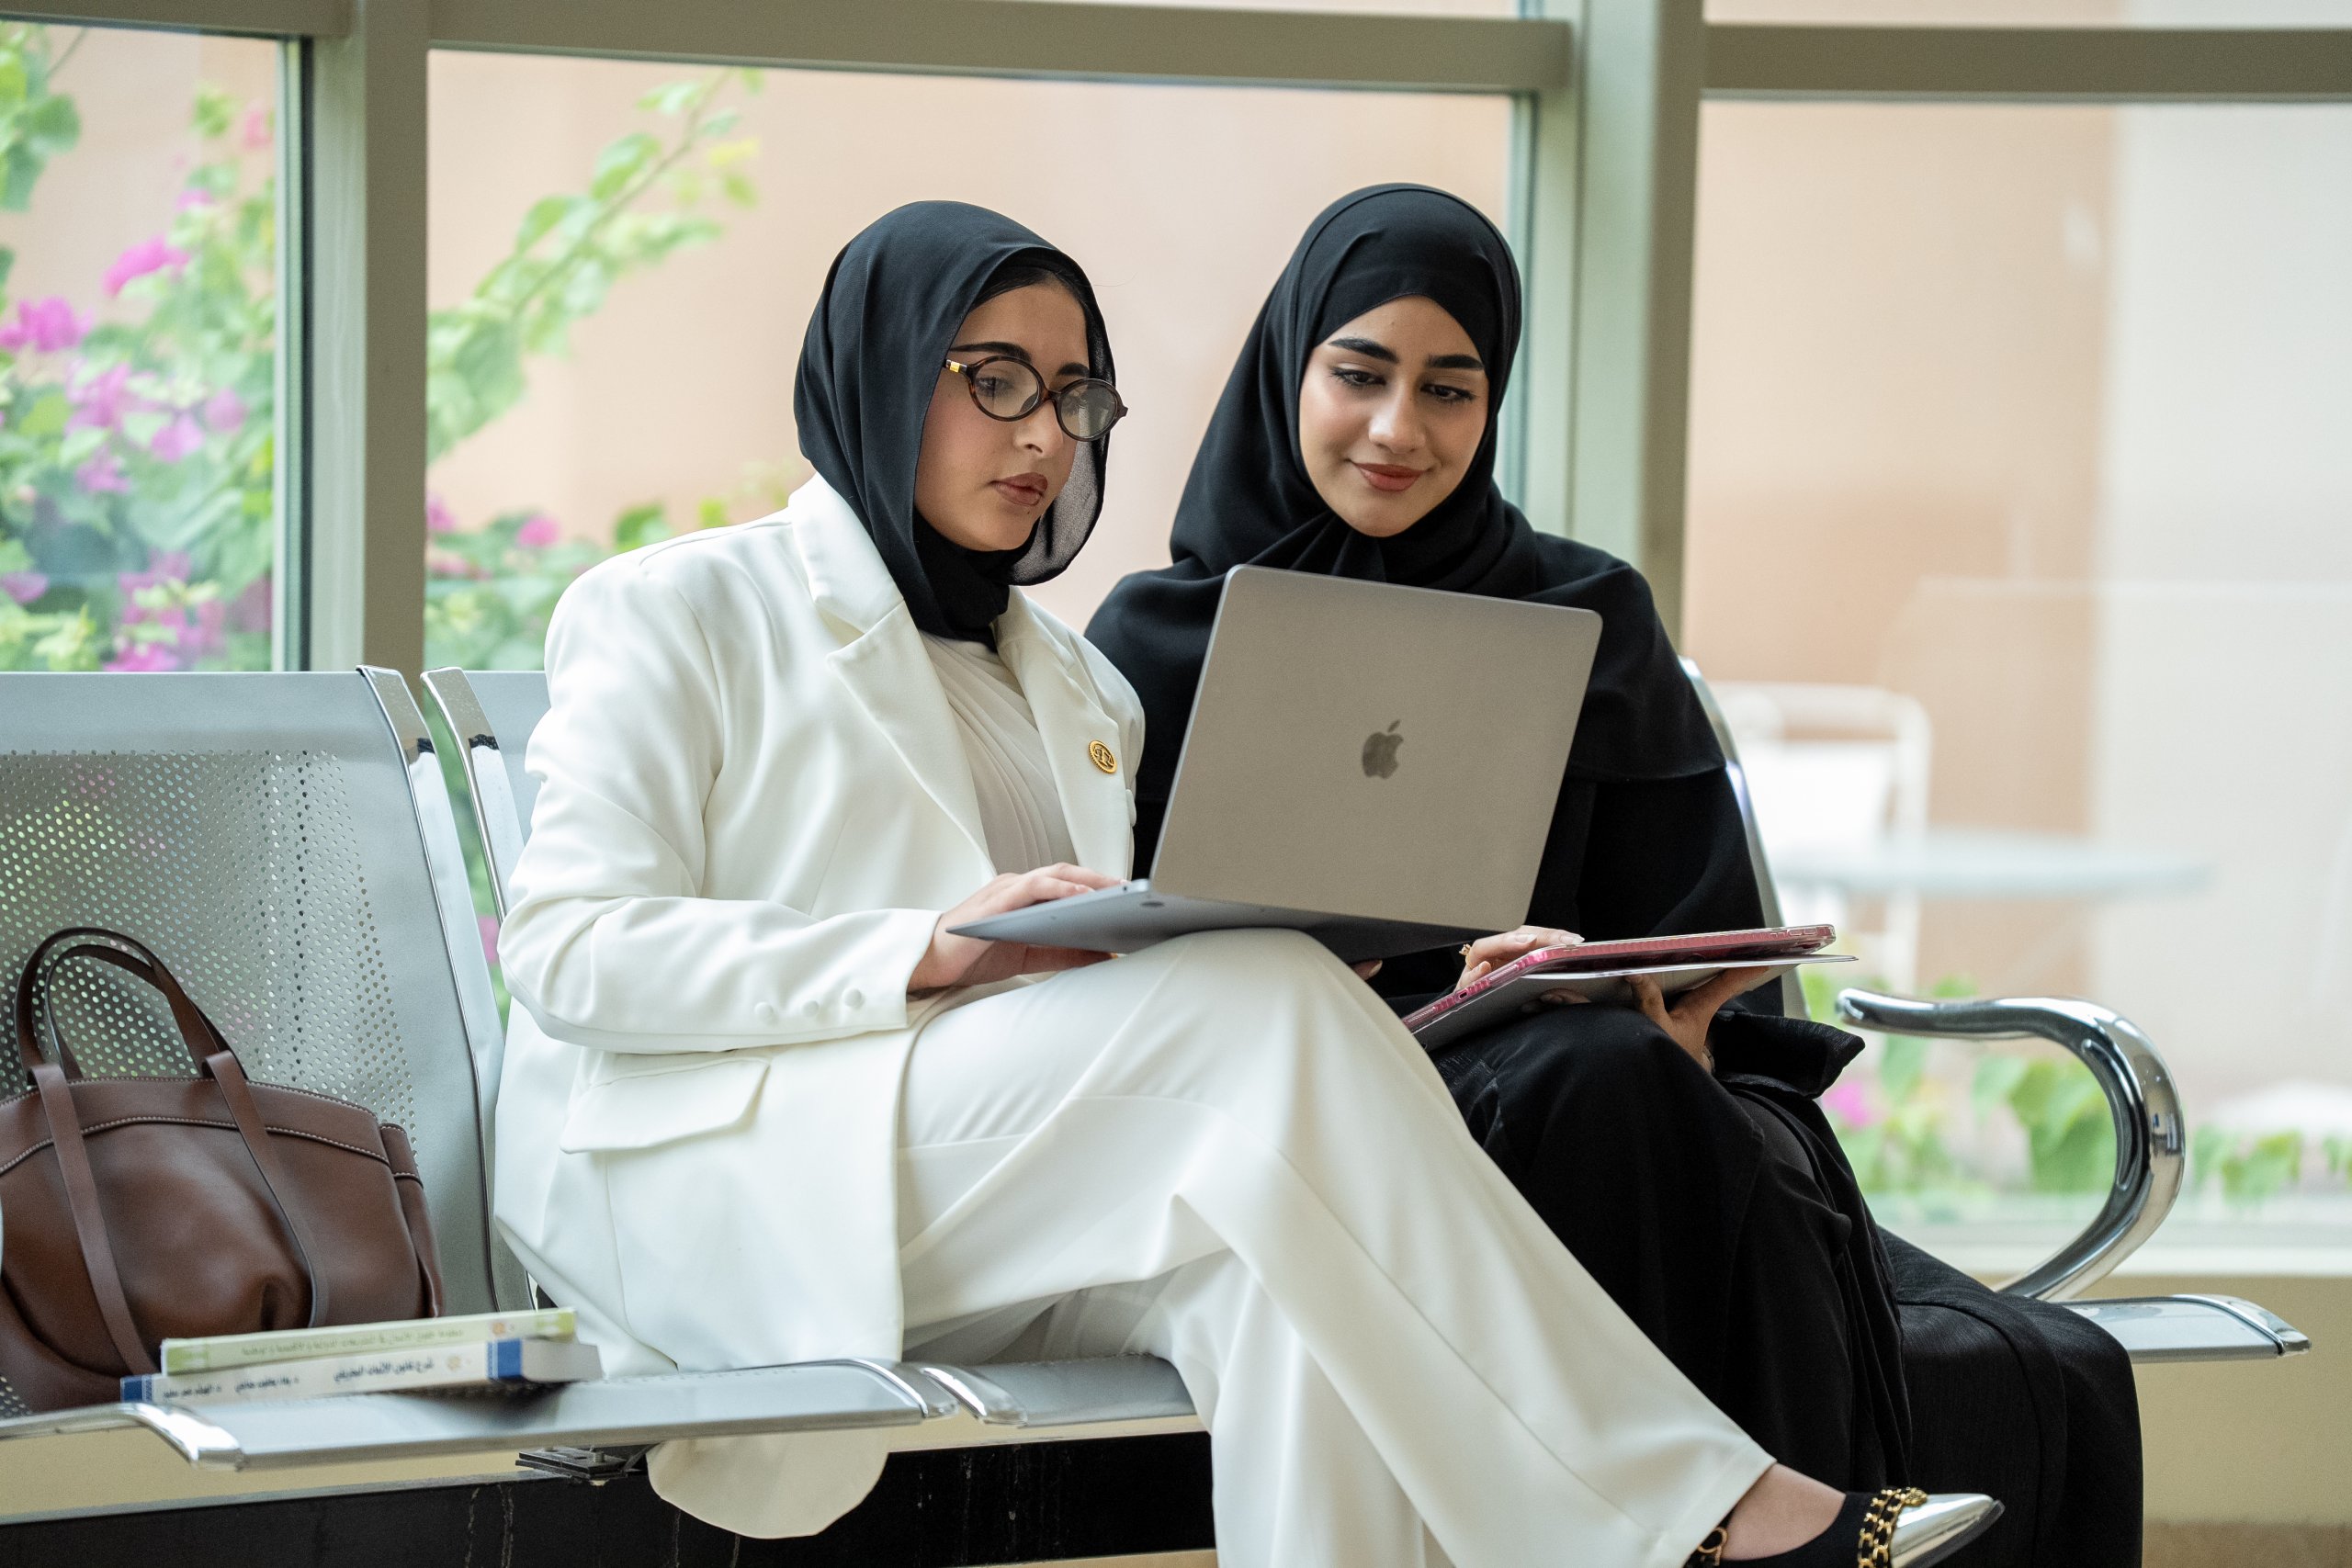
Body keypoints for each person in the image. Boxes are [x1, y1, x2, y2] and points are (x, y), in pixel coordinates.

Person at [492, 198, 1994, 1568]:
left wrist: (1432, 1008)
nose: (1044, 437)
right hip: (728, 1169)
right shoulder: (679, 606)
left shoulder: (1076, 685)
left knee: (1288, 1280)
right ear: (883, 371)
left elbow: (1132, 1022)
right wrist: (924, 950)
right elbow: (564, 952)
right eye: (993, 381)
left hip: (984, 1178)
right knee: (1260, 1013)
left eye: (1075, 397)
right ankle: (1710, 1509)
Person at [1088, 184, 2131, 1566]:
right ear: (1290, 368)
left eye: (1450, 389)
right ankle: (1774, 1530)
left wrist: (1668, 1015)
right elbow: (1103, 970)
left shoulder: (1584, 618)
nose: (1401, 430)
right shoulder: (1154, 641)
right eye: (1359, 373)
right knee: (1598, 1090)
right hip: (1305, 1131)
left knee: (1623, 1085)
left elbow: (1701, 949)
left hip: (1597, 1098)